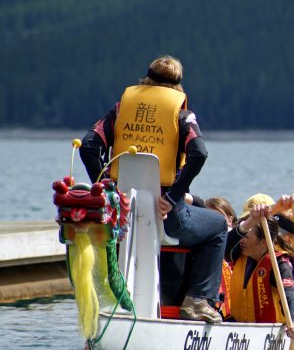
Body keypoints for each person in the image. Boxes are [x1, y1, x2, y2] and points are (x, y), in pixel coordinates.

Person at [79, 55, 226, 323]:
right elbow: (199, 153)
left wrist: (104, 188)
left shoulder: (122, 109)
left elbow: (89, 146)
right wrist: (173, 196)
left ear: (145, 80)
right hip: (167, 218)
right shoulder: (182, 115)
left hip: (121, 216)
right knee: (217, 226)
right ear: (178, 87)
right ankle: (197, 301)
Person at [225, 202, 294, 339]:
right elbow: (223, 246)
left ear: (264, 242)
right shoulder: (239, 254)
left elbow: (290, 295)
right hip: (238, 331)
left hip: (268, 334)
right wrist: (248, 223)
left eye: (246, 237)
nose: (240, 241)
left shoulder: (280, 263)